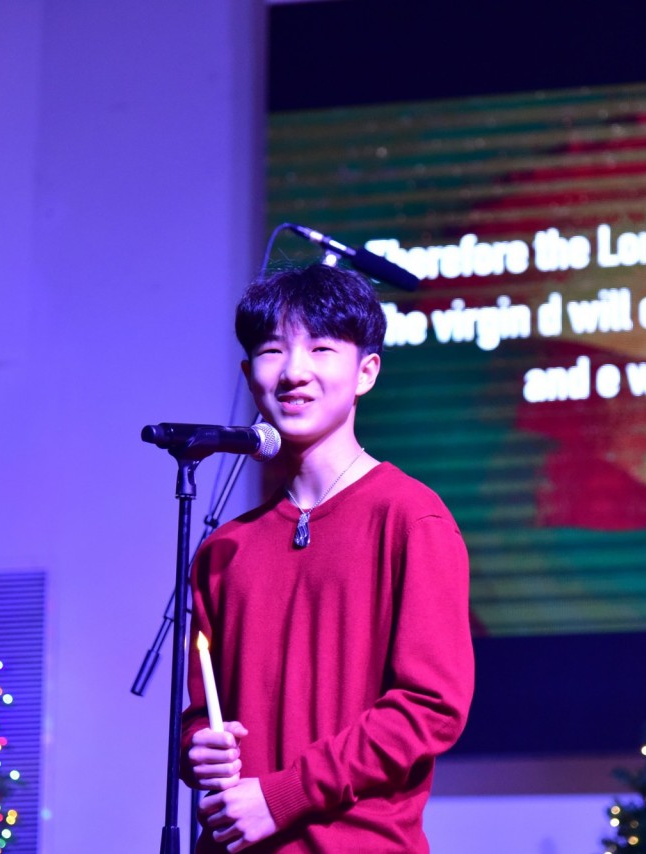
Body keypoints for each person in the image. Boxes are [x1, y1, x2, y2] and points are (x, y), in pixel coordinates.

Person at [179, 263, 475, 853]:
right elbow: (201, 711)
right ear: (249, 376)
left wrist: (281, 796)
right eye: (272, 351)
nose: (294, 371)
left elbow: (431, 706)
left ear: (366, 371)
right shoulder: (224, 550)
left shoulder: (411, 518)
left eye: (320, 348)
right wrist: (195, 747)